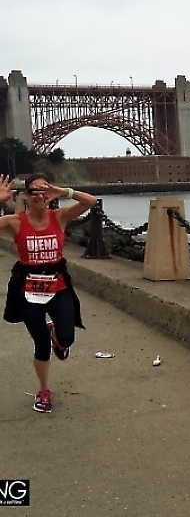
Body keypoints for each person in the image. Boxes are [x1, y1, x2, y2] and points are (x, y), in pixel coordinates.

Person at [0, 173, 97, 413]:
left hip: (58, 286)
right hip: (27, 290)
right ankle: (44, 390)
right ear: (26, 195)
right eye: (35, 190)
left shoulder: (60, 216)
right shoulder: (15, 222)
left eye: (45, 189)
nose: (40, 195)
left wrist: (64, 191)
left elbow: (91, 202)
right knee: (40, 343)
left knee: (67, 338)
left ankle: (56, 334)